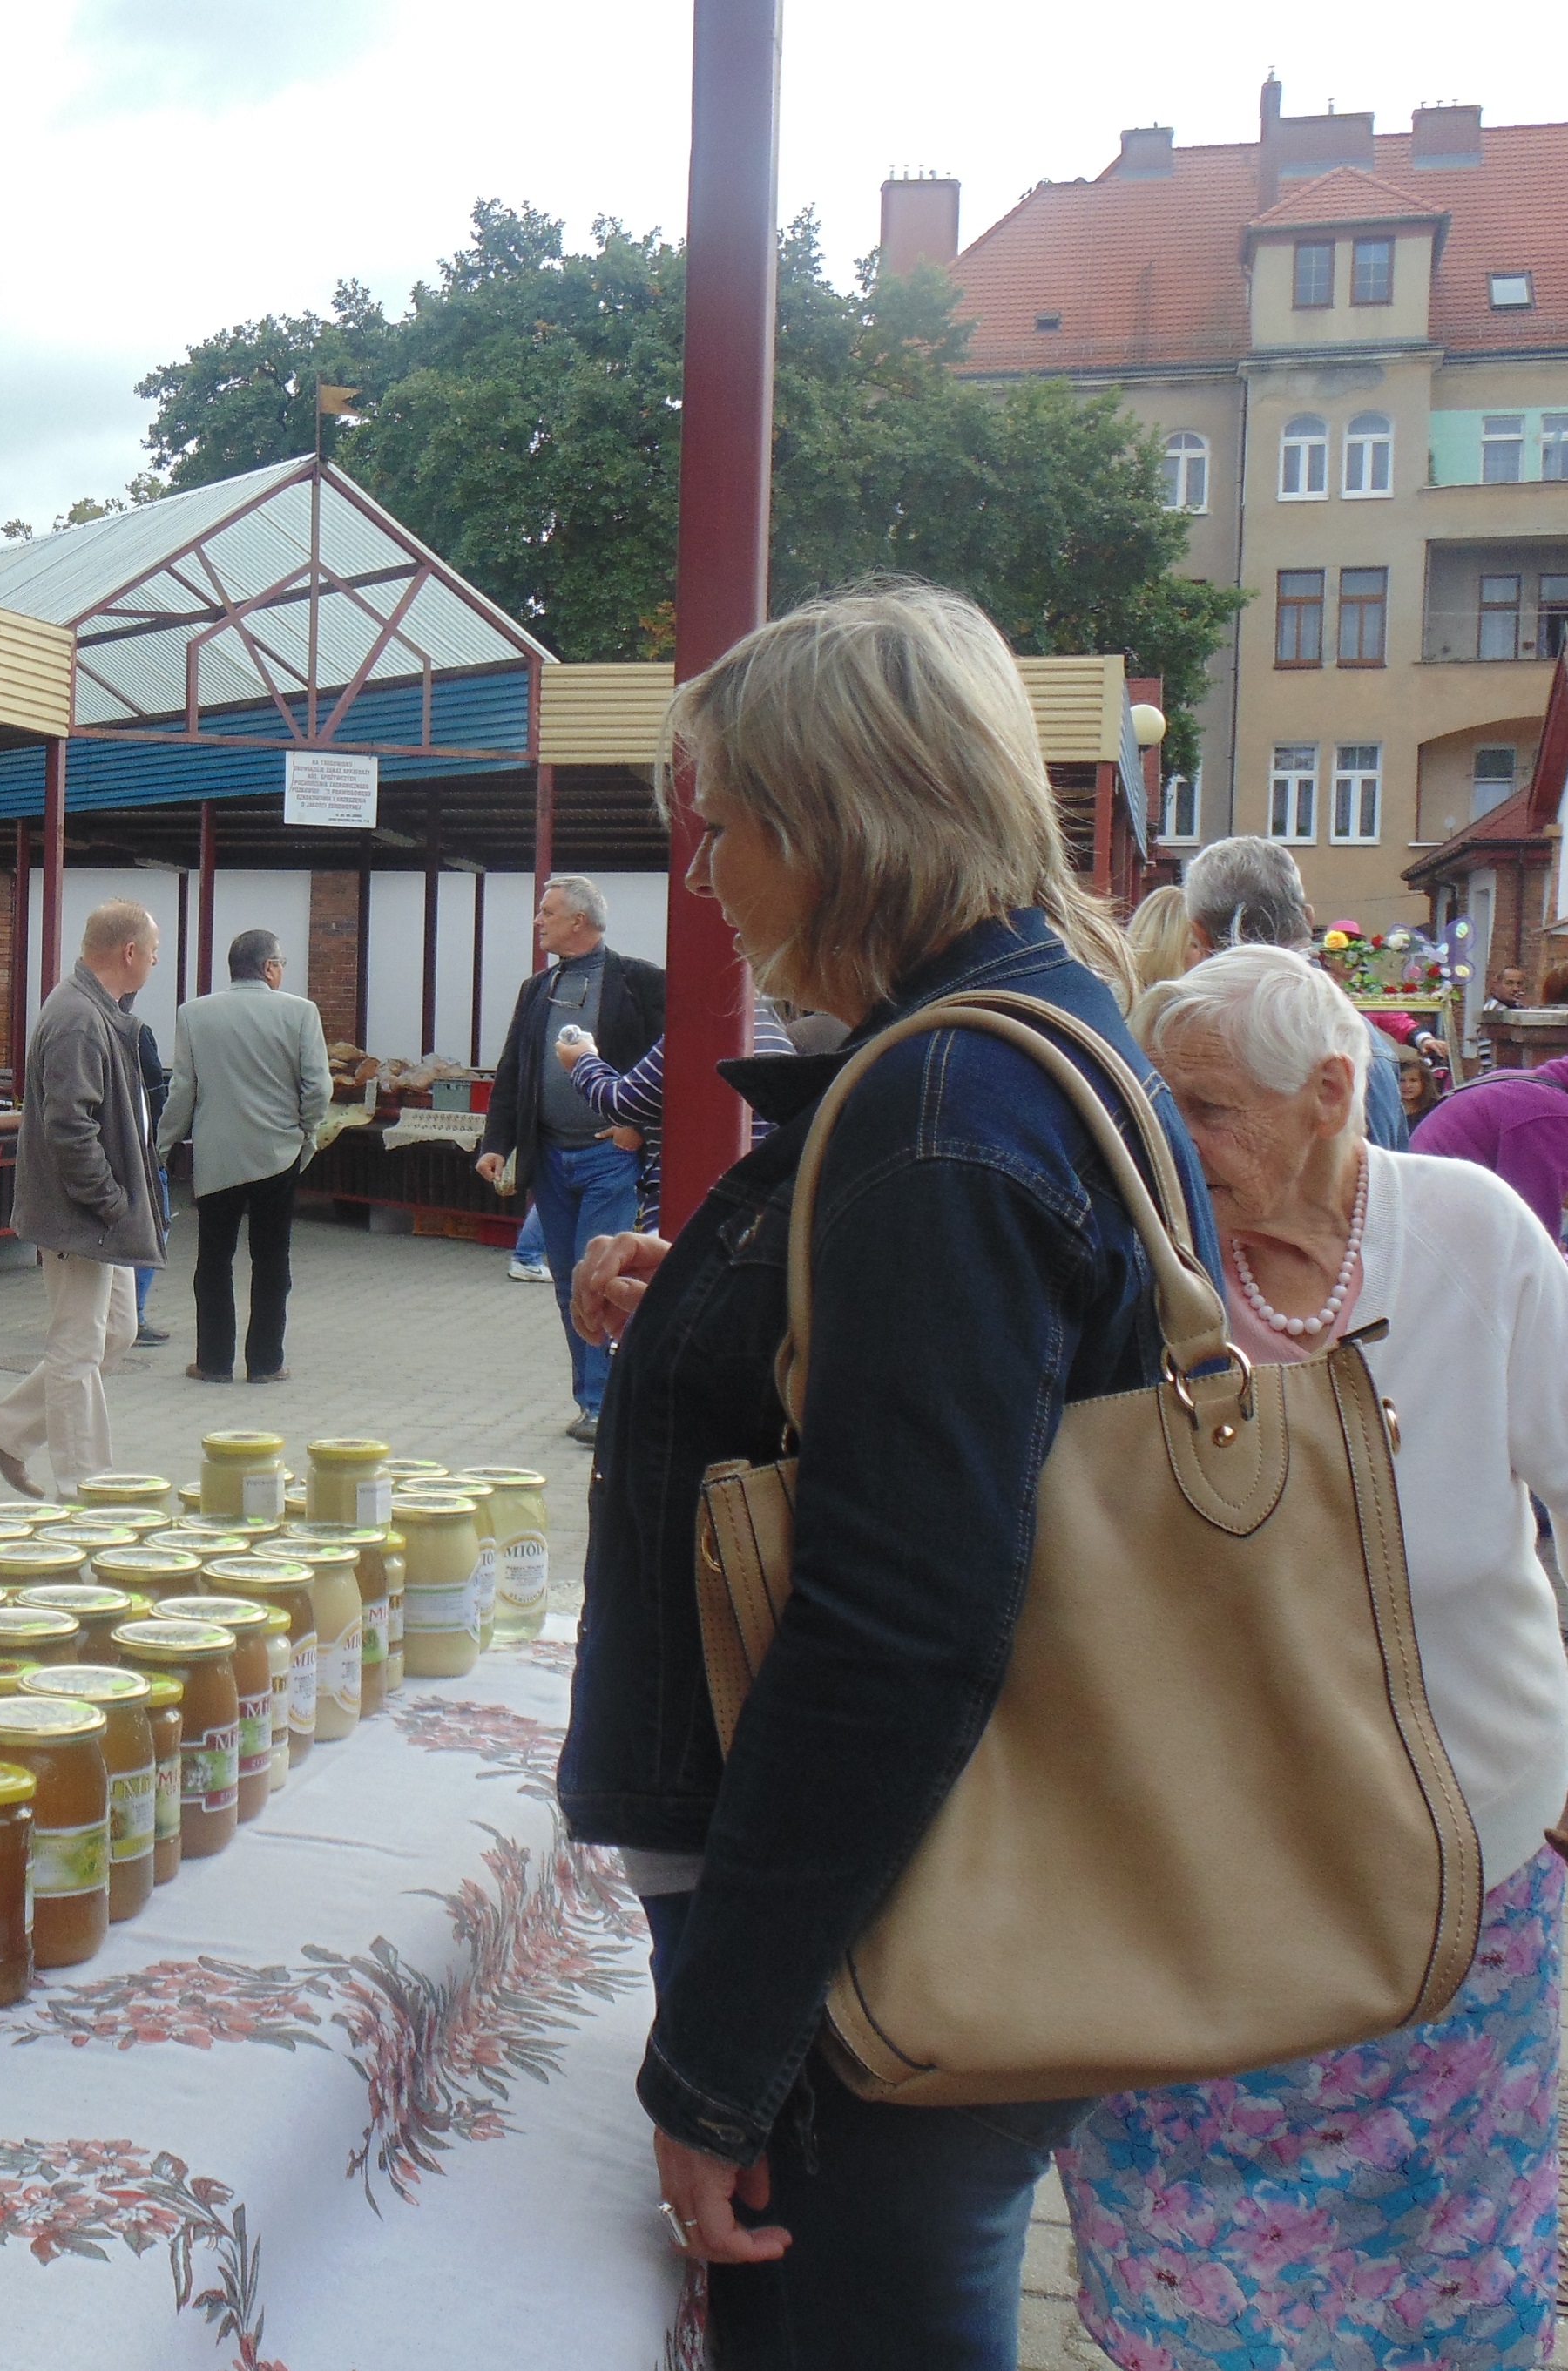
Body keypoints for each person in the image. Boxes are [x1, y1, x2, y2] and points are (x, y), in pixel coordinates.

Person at [561, 580, 1216, 2366]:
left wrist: (719, 2054)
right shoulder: (1030, 1037)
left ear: (839, 823)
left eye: (728, 823)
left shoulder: (941, 1109)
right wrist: (699, 1321)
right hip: (939, 1893)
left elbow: (893, 1617)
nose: (702, 873)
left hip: (885, 1933)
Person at [1060, 944, 1568, 2368]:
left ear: (1324, 1093)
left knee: (1443, 2286)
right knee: (1185, 2284)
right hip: (1196, 1894)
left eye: (1209, 1108)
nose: (1175, 1142)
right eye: (1154, 1102)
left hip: (1452, 1877)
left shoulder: (1471, 1235)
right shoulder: (1138, 1258)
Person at [0, 900, 164, 1501]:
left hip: (93, 1216)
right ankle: (85, 1487)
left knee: (116, 1333)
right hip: (81, 1217)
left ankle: (5, 1432)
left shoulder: (92, 1009)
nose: (156, 963)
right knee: (78, 1348)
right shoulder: (81, 1017)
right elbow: (68, 1127)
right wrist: (108, 1202)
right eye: (154, 952)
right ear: (129, 953)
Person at [476, 875, 665, 1443]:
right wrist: (495, 1143)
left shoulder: (640, 981)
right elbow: (514, 1068)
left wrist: (638, 1124)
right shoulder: (536, 988)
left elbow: (670, 1062)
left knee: (602, 1279)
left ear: (577, 922)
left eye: (547, 911)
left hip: (609, 1158)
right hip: (551, 1157)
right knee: (567, 1283)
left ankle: (608, 1404)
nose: (538, 921)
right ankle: (589, 1400)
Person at [156, 929, 332, 1386]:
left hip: (217, 1159)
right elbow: (319, 1087)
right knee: (272, 1260)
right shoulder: (300, 1013)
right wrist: (305, 1130)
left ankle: (213, 1361)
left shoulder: (194, 1014)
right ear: (270, 967)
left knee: (213, 1260)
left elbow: (184, 1092)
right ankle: (266, 1363)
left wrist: (162, 1143)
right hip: (279, 1154)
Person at [1179, 835, 1408, 1149]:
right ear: (1308, 919)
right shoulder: (1365, 1047)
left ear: (1200, 934)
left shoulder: (1178, 1046)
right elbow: (1381, 1185)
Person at [554, 999, 798, 1232]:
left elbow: (620, 1103)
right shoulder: (774, 1032)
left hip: (689, 1210)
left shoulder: (701, 1027)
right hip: (756, 1209)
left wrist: (581, 1060)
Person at [1409, 1040, 1568, 1240]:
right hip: (1437, 1225)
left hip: (1421, 1207)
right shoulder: (1556, 1118)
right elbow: (1531, 1226)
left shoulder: (1535, 1086)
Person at [128, 1005, 172, 1348]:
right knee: (155, 1229)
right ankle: (133, 1314)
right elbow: (157, 1094)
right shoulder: (137, 1033)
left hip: (105, 1152)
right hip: (143, 1153)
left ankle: (115, 1314)